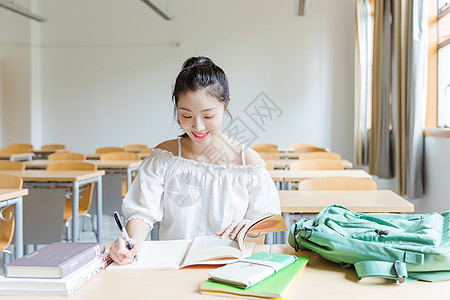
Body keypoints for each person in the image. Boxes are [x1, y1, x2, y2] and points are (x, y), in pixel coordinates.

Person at [110, 56, 281, 265]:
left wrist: (250, 225)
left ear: (226, 105)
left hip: (230, 267)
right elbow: (142, 212)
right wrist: (131, 242)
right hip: (173, 266)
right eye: (186, 116)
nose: (198, 127)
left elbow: (269, 220)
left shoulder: (248, 163)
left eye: (208, 116)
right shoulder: (165, 158)